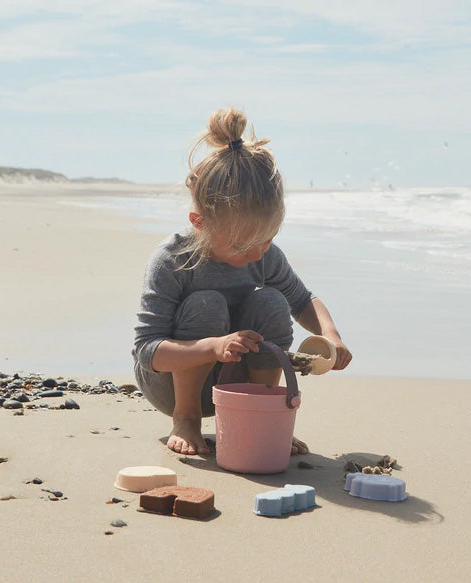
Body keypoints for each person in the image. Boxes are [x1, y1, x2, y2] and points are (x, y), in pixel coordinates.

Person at [132, 107, 352, 456]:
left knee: (272, 300)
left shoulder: (265, 254)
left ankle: (258, 414)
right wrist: (213, 347)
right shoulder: (172, 260)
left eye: (266, 240)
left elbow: (302, 300)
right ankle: (187, 420)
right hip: (172, 383)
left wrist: (331, 336)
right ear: (199, 222)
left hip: (233, 376)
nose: (256, 255)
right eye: (242, 246)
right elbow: (147, 352)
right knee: (207, 303)